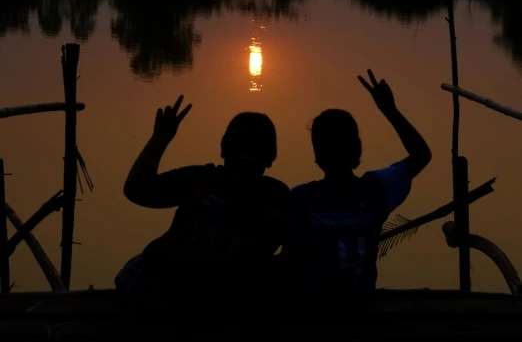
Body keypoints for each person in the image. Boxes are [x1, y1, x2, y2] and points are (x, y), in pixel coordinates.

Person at [115, 96, 289, 308]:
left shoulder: (203, 180)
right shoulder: (277, 195)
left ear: (223, 150)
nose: (245, 160)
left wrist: (160, 139)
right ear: (271, 157)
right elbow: (136, 191)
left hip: (182, 295)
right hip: (181, 290)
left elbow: (136, 190)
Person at [284, 70, 432, 303]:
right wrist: (389, 110)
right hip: (347, 311)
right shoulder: (375, 189)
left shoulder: (301, 199)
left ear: (317, 154)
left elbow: (288, 262)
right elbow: (421, 155)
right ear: (358, 150)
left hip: (316, 315)